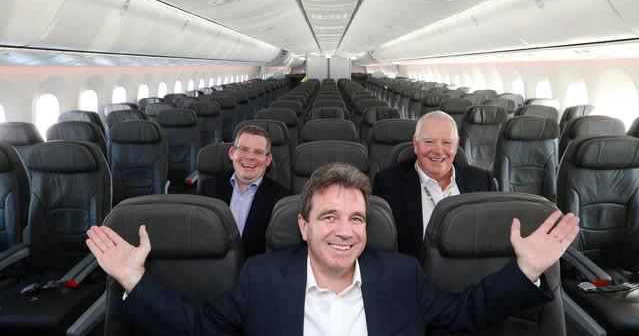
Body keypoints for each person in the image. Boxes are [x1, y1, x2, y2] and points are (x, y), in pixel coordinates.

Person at [87, 163, 580, 336]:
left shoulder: (400, 274)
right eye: (329, 217)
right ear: (303, 227)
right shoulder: (262, 278)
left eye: (356, 218)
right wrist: (134, 278)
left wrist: (527, 269)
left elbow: (467, 313)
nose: (345, 231)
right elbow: (199, 328)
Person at [373, 111, 496, 257]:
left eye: (447, 142)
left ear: (456, 146)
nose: (438, 150)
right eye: (429, 141)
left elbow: (491, 240)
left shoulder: (482, 182)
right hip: (415, 274)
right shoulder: (388, 184)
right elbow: (382, 247)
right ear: (416, 144)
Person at [198, 124, 290, 258]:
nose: (250, 157)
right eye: (243, 149)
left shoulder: (282, 200)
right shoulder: (208, 189)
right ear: (232, 153)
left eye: (258, 152)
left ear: (268, 160)